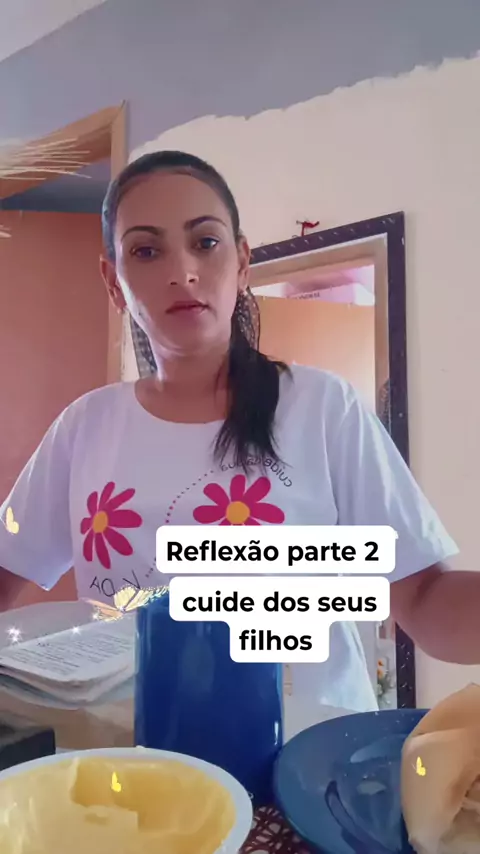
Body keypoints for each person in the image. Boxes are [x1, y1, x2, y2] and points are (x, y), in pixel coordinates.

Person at [0, 151, 478, 714]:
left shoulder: (323, 408)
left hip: (307, 753)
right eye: (146, 251)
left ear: (242, 261)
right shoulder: (85, 427)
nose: (183, 271)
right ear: (114, 281)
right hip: (137, 753)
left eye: (205, 242)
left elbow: (424, 598)